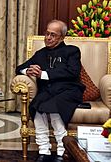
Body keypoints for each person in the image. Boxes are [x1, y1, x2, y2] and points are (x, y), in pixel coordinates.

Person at [15, 20, 85, 162]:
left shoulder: (72, 51)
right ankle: (44, 150)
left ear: (62, 37)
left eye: (53, 35)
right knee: (36, 107)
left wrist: (43, 74)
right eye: (47, 34)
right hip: (48, 91)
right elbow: (19, 67)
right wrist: (27, 70)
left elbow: (72, 72)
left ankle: (62, 150)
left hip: (69, 90)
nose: (48, 38)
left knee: (53, 107)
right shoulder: (41, 53)